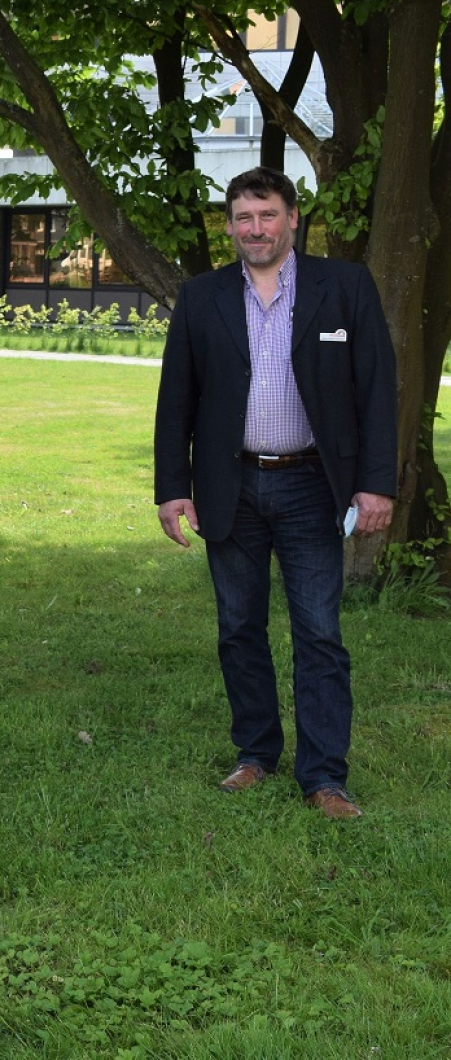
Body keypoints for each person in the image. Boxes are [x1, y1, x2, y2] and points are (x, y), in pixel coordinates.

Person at [154, 165, 396, 820]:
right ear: (229, 225)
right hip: (229, 485)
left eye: (266, 215)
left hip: (313, 485)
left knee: (318, 631)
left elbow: (377, 389)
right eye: (242, 217)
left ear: (292, 218)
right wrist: (173, 488)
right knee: (239, 628)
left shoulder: (343, 288)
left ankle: (324, 777)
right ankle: (256, 755)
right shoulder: (202, 297)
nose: (254, 229)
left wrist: (376, 483)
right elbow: (176, 398)